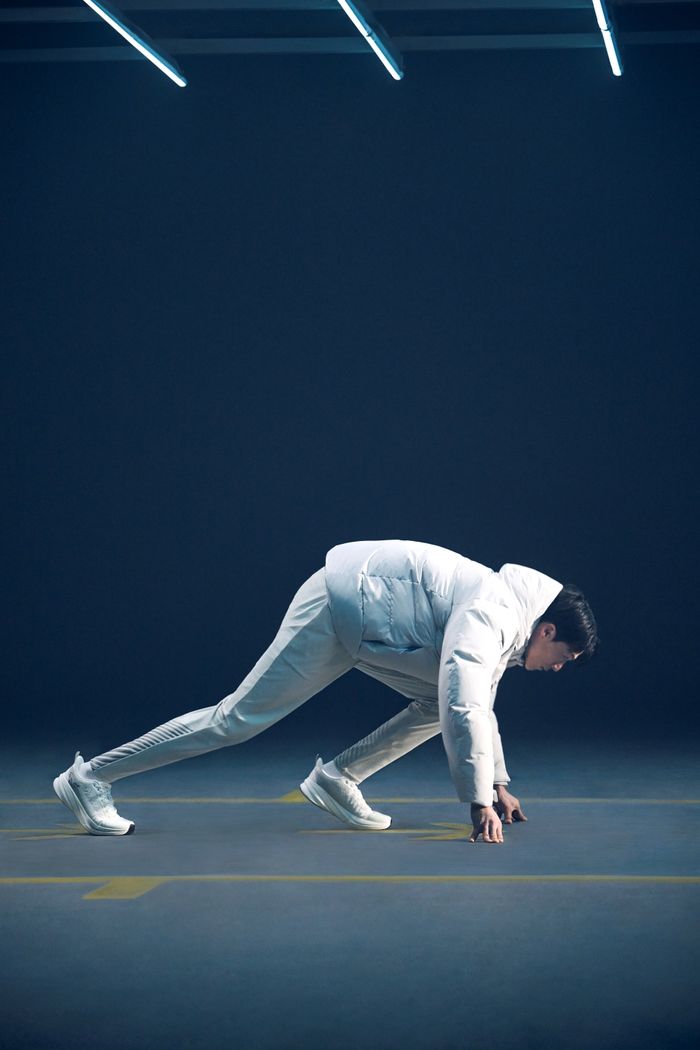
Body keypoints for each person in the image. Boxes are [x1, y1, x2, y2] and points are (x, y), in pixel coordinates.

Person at [53, 539, 598, 844]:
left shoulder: (510, 622)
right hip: (339, 609)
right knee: (235, 720)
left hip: (370, 626)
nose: (558, 668)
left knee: (437, 705)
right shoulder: (495, 612)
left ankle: (337, 780)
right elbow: (466, 700)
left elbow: (478, 699)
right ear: (547, 630)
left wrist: (497, 783)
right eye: (565, 658)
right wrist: (478, 800)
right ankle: (90, 777)